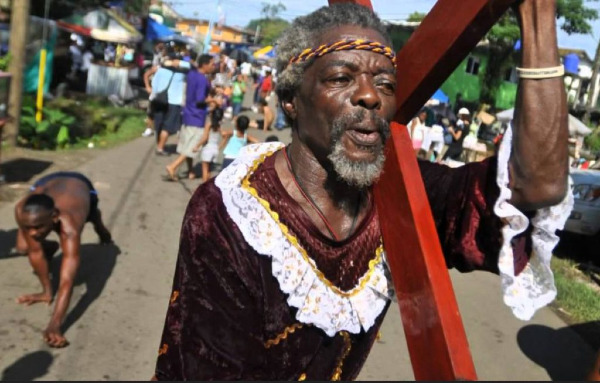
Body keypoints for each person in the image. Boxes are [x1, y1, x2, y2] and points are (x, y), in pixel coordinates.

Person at [153, 2, 571, 380]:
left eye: (386, 84)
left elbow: (537, 186)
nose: (371, 96)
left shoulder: (401, 191)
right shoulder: (231, 214)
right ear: (291, 101)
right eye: (341, 77)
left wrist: (537, 16)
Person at [14, 172, 112, 348]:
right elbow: (35, 252)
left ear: (54, 217)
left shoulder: (70, 227)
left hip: (80, 185)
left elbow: (67, 280)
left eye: (38, 227)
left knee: (92, 217)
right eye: (28, 227)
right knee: (23, 247)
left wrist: (55, 323)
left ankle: (99, 224)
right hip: (47, 182)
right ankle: (50, 249)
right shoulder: (22, 209)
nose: (32, 232)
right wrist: (47, 291)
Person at [165, 54, 215, 181]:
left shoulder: (191, 75)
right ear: (204, 64)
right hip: (197, 116)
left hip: (187, 113)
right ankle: (173, 166)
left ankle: (191, 170)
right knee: (193, 146)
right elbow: (200, 99)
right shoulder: (202, 79)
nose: (213, 67)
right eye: (211, 64)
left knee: (187, 144)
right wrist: (212, 100)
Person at [151, 54, 190, 155]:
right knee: (167, 126)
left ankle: (159, 143)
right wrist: (181, 62)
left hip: (160, 100)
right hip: (174, 102)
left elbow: (154, 84)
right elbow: (193, 67)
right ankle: (160, 148)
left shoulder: (160, 70)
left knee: (159, 123)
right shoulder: (182, 75)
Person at [194, 108, 224, 182]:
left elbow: (205, 137)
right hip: (215, 149)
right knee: (209, 170)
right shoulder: (219, 125)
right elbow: (224, 135)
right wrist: (219, 146)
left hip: (208, 148)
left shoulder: (209, 124)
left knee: (204, 169)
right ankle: (208, 187)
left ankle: (204, 188)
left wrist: (197, 146)